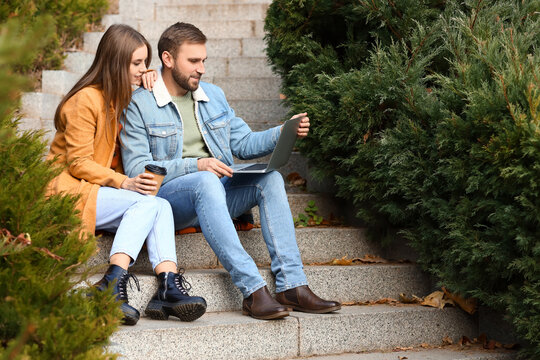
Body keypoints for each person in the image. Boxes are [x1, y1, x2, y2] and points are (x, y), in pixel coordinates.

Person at [120, 22, 341, 320]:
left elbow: (244, 143)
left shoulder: (213, 96)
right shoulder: (140, 104)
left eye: (204, 61)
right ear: (168, 59)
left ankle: (292, 285)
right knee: (205, 180)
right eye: (193, 61)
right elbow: (137, 169)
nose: (201, 69)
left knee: (271, 179)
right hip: (172, 202)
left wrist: (283, 131)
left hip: (216, 191)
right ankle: (253, 291)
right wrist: (196, 165)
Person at [46, 24, 207, 326]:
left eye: (146, 62)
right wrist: (125, 182)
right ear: (114, 62)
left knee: (160, 204)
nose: (143, 69)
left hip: (96, 191)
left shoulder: (119, 98)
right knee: (146, 203)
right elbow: (78, 163)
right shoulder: (84, 100)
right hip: (68, 191)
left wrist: (147, 76)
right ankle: (111, 282)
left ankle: (168, 286)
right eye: (136, 63)